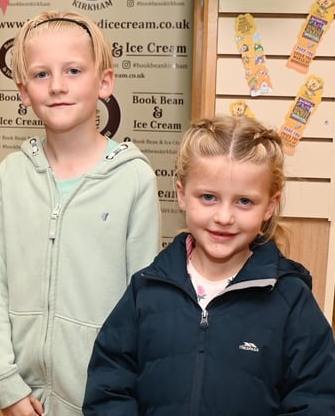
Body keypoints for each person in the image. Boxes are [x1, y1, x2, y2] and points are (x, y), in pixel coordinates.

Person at [83, 115, 335, 415]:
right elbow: (108, 386)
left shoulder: (291, 301)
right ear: (181, 195)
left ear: (269, 206)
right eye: (208, 197)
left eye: (244, 201)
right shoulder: (146, 290)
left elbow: (316, 400)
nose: (224, 217)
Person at [0, 10, 160, 416]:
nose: (57, 86)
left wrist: (122, 392)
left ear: (105, 82)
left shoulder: (134, 180)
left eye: (74, 70)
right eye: (41, 75)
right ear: (24, 91)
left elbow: (144, 304)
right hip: (19, 400)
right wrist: (5, 385)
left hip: (102, 399)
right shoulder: (10, 176)